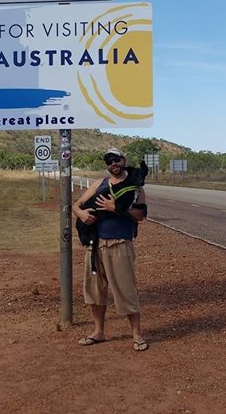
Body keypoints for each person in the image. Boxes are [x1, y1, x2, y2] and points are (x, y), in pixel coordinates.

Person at [72, 147, 148, 352]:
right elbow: (76, 204)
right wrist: (81, 214)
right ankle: (98, 332)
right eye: (109, 161)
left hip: (119, 245)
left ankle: (137, 335)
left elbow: (140, 215)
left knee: (126, 290)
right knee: (94, 290)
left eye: (116, 160)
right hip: (94, 246)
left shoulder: (135, 188)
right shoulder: (100, 184)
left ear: (124, 160)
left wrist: (115, 208)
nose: (113, 164)